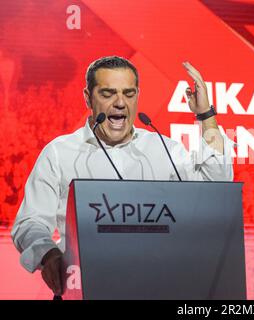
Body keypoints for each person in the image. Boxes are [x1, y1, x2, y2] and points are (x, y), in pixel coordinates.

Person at [11, 56, 234, 296]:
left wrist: (206, 116)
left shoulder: (165, 149)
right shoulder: (60, 152)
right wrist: (48, 254)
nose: (120, 103)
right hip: (87, 288)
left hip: (162, 288)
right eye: (108, 94)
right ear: (88, 97)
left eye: (129, 93)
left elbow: (216, 187)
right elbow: (30, 222)